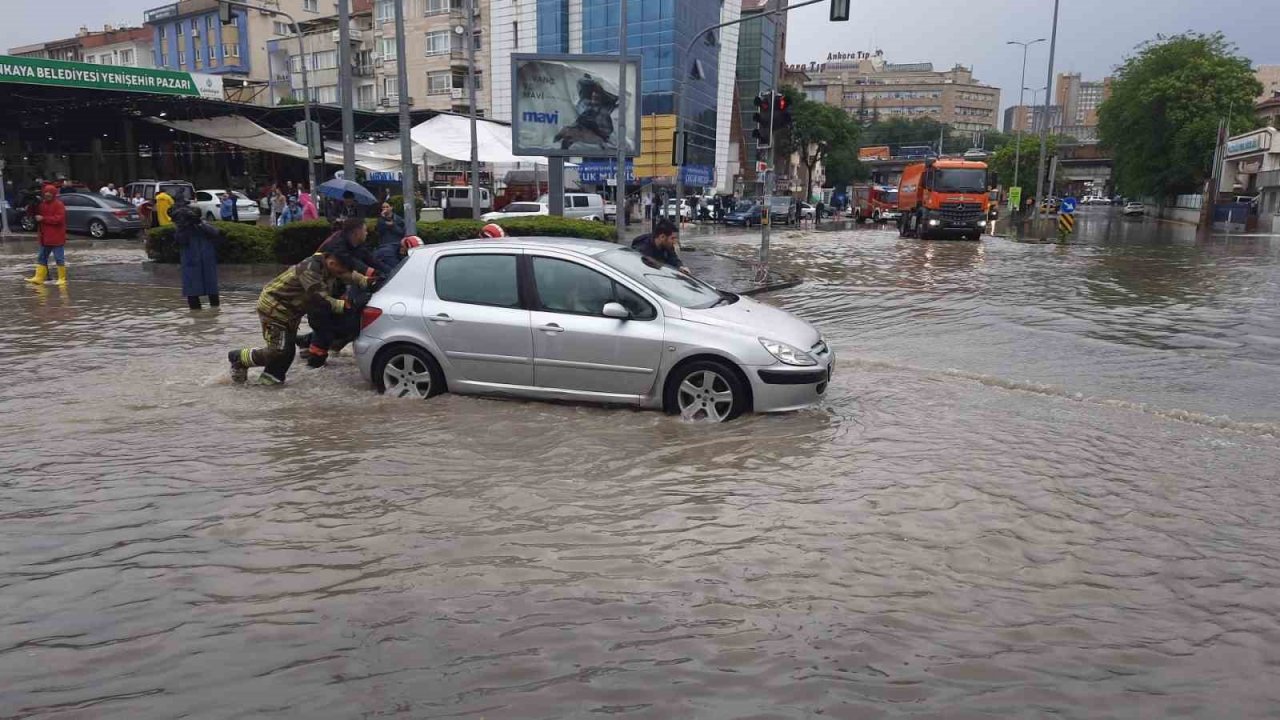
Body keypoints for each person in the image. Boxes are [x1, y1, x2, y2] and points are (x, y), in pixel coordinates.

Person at [227, 251, 368, 385]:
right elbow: (320, 299)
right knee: (279, 351)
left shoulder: (329, 266)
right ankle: (239, 357)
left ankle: (269, 384)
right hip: (275, 308)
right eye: (340, 271)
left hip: (290, 312)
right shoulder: (310, 269)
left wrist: (365, 281)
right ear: (332, 263)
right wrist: (347, 305)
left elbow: (348, 275)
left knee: (287, 353)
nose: (341, 275)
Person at [298, 235, 424, 368]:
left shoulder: (393, 251)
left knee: (344, 325)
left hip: (364, 287)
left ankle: (309, 343)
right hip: (362, 290)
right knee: (348, 323)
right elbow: (394, 273)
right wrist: (353, 301)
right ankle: (314, 352)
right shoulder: (387, 254)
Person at [171, 199, 222, 310]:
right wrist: (183, 227)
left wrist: (199, 223)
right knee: (192, 290)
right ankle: (196, 314)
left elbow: (215, 232)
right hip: (191, 262)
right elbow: (180, 240)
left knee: (212, 288)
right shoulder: (182, 228)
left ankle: (215, 310)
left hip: (206, 260)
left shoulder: (202, 225)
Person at [25, 184, 68, 286]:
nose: (47, 195)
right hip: (44, 237)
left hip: (56, 237)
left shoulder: (59, 204)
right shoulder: (41, 204)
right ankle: (39, 277)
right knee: (41, 258)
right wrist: (31, 205)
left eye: (50, 193)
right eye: (46, 193)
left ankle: (62, 278)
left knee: (59, 258)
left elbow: (59, 219)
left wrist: (44, 219)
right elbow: (32, 214)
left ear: (54, 194)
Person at [371, 202, 406, 270]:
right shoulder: (380, 220)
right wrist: (383, 219)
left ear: (391, 208)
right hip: (384, 246)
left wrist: (392, 225)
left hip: (396, 245)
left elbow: (401, 232)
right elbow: (379, 231)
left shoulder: (398, 219)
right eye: (383, 207)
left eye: (387, 207)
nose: (385, 209)